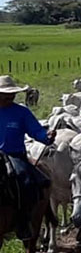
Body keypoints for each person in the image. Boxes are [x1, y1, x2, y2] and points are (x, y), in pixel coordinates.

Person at [0, 75, 54, 239]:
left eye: (12, 94)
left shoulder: (21, 112)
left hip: (15, 154)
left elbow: (35, 130)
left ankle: (23, 221)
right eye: (5, 94)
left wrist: (47, 137)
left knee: (26, 180)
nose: (10, 97)